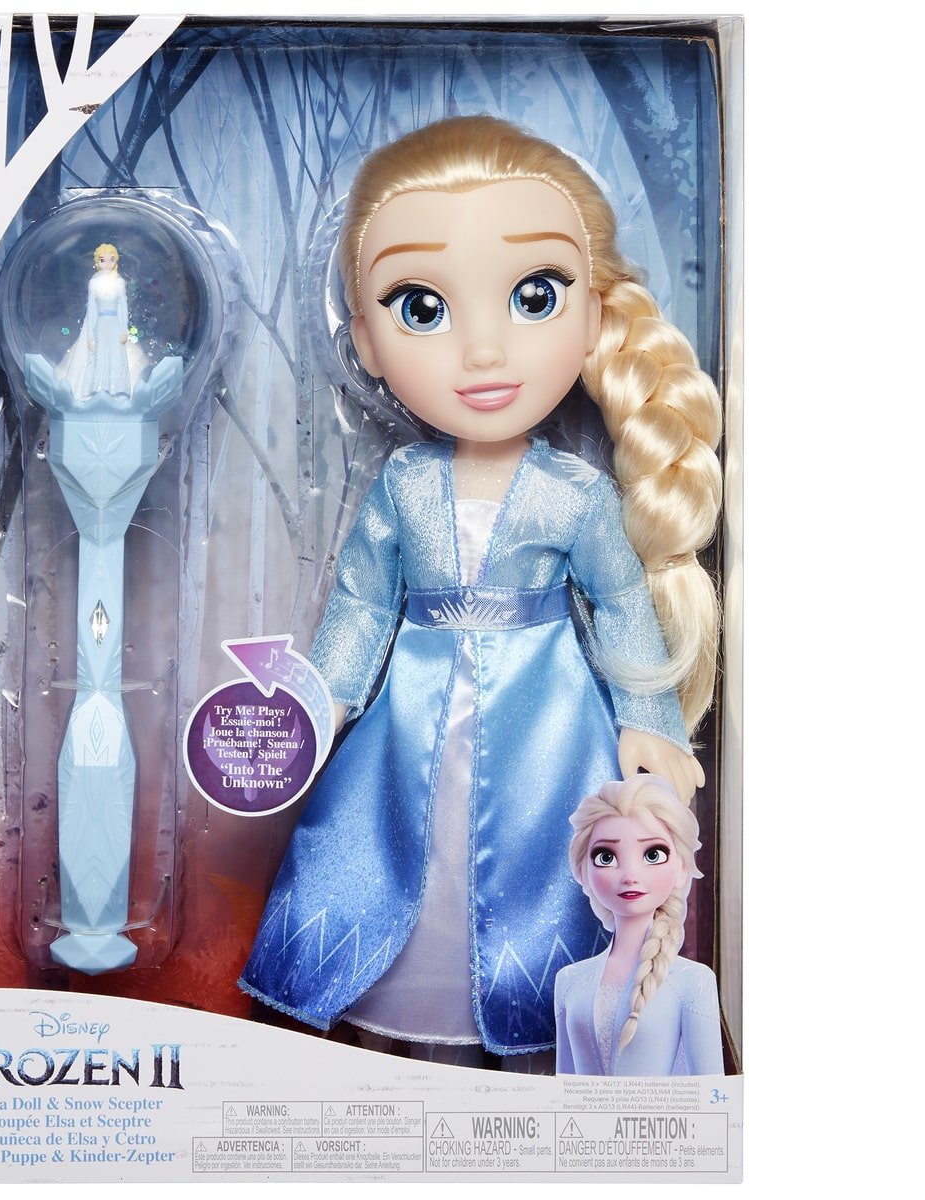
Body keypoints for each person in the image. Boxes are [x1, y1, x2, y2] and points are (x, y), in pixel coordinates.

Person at [239, 115, 722, 1061]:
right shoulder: (403, 485)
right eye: (422, 308)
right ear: (365, 339)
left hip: (549, 725)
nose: (486, 353)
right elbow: (363, 606)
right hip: (408, 718)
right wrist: (318, 702)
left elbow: (621, 603)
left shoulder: (575, 493)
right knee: (389, 855)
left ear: (594, 316)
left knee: (539, 873)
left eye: (535, 296)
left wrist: (649, 720)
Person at [555, 774, 723, 1075]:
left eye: (652, 854)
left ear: (682, 868)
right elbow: (562, 1086)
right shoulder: (569, 980)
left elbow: (710, 1092)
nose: (630, 875)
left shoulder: (693, 981)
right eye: (606, 856)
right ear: (583, 871)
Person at [65, 242, 132, 398]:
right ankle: (98, 387)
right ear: (97, 262)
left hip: (115, 324)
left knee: (116, 354)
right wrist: (90, 337)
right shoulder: (93, 283)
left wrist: (124, 330)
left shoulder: (119, 282)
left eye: (111, 259)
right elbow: (92, 310)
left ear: (116, 261)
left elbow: (123, 307)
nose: (107, 263)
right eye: (103, 260)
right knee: (99, 354)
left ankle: (117, 388)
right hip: (100, 324)